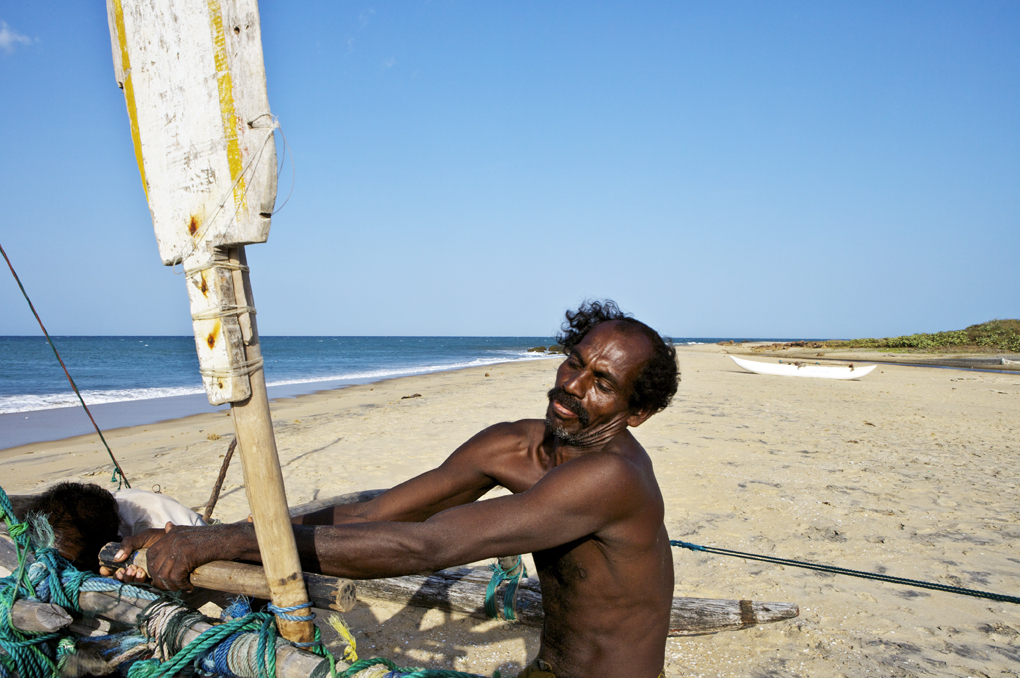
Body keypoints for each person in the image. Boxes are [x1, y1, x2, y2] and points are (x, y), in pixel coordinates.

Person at [112, 300, 679, 678]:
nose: (572, 386)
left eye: (602, 383)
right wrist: (211, 537)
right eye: (574, 363)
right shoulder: (513, 445)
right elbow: (379, 515)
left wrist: (227, 541)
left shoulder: (612, 477)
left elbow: (425, 547)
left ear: (640, 412)